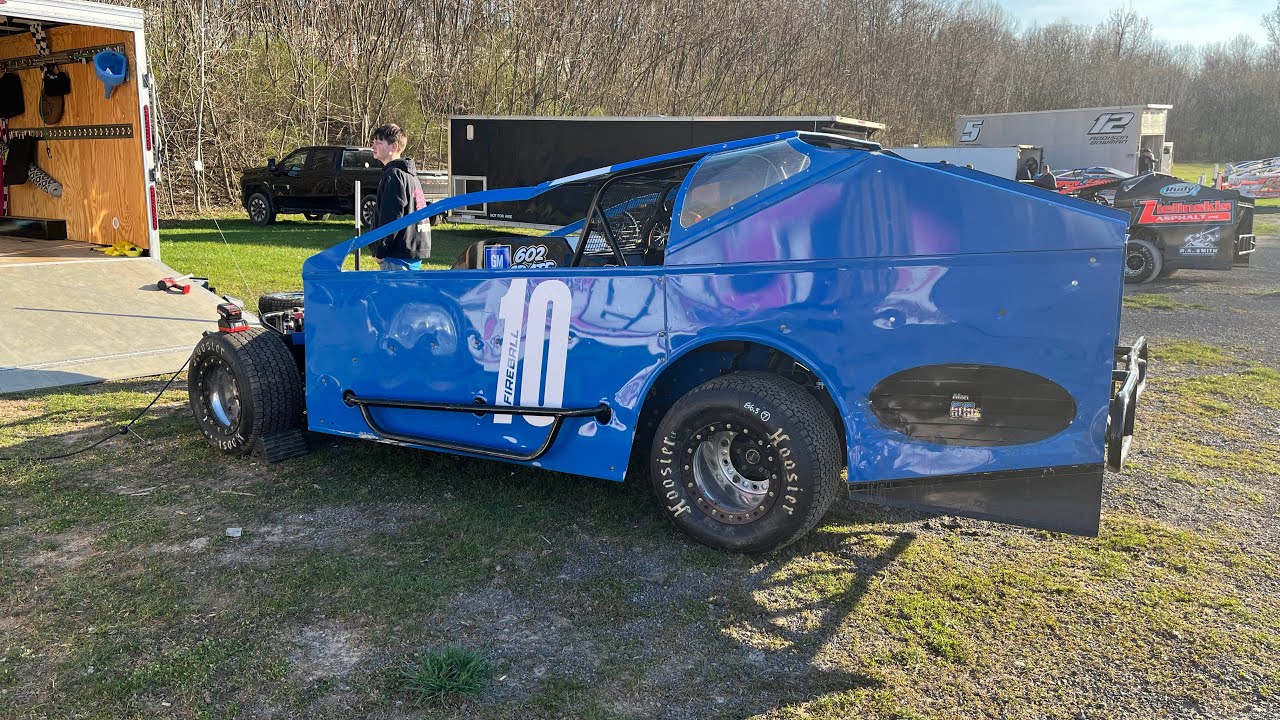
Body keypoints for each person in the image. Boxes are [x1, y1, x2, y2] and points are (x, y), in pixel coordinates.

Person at [369, 123, 431, 271]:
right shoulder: (409, 174)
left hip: (397, 254)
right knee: (407, 293)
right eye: (373, 142)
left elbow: (391, 215)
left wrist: (381, 251)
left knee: (393, 294)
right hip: (412, 248)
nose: (373, 146)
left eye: (378, 142)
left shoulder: (394, 175)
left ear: (394, 147)